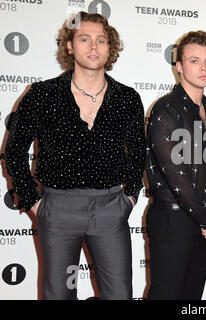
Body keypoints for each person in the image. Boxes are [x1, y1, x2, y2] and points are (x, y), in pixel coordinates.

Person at [5, 11, 146, 300]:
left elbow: (138, 154)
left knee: (119, 294)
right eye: (84, 39)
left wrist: (129, 197)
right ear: (70, 46)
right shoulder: (43, 94)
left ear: (110, 47)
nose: (93, 46)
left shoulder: (127, 98)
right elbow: (14, 151)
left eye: (101, 40)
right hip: (57, 209)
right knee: (60, 294)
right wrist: (33, 202)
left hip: (110, 208)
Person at [145, 30, 206, 300]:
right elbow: (177, 178)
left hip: (202, 222)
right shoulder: (166, 110)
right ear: (179, 67)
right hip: (173, 221)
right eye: (195, 61)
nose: (204, 68)